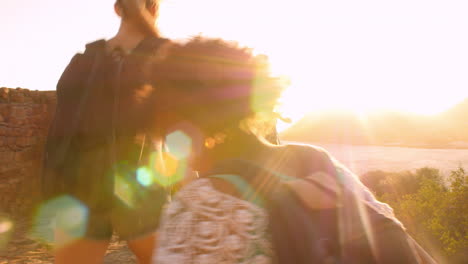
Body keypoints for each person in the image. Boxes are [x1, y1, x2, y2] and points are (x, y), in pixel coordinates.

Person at [145, 38, 437, 263]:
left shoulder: (199, 206)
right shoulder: (318, 161)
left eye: (161, 120)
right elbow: (392, 233)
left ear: (184, 118)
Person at [41, 0, 169, 263]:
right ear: (155, 10)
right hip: (140, 182)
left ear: (117, 9)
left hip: (80, 185)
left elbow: (59, 137)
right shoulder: (165, 59)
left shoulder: (80, 64)